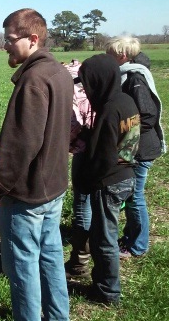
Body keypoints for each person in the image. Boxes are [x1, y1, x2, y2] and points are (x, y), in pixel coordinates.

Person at [0, 8, 73, 321]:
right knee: (50, 258)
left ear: (32, 39)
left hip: (27, 196)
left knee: (22, 268)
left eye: (10, 40)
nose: (5, 45)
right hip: (53, 188)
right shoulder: (59, 72)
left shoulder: (33, 81)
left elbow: (21, 146)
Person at [74, 54, 141, 305]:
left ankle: (108, 292)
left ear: (100, 80)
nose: (87, 88)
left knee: (104, 239)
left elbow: (103, 156)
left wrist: (87, 181)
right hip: (127, 175)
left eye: (89, 82)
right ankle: (104, 284)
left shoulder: (109, 110)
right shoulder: (125, 100)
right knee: (107, 235)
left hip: (109, 181)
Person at [105, 36, 165, 259]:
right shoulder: (127, 75)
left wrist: (127, 136)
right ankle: (131, 238)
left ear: (121, 56)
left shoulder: (134, 78)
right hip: (135, 147)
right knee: (131, 195)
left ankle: (138, 245)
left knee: (135, 197)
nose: (108, 58)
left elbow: (148, 114)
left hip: (140, 148)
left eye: (110, 54)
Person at [64, 59, 95, 279]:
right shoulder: (98, 90)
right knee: (92, 204)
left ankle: (80, 261)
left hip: (84, 154)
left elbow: (72, 127)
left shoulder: (75, 94)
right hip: (98, 154)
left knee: (82, 206)